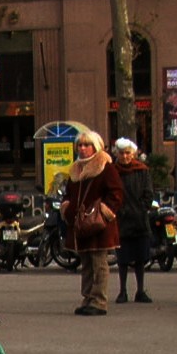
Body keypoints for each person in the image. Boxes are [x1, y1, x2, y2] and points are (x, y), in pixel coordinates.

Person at [59, 132, 124, 315]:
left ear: (96, 146)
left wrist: (104, 212)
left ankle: (99, 301)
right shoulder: (76, 169)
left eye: (86, 145)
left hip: (98, 224)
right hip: (81, 224)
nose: (82, 148)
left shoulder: (105, 166)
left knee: (99, 263)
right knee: (86, 262)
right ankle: (87, 298)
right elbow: (69, 194)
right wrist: (66, 208)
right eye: (79, 145)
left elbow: (116, 193)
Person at [111, 138, 154, 304]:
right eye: (121, 153)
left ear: (133, 154)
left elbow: (148, 193)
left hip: (139, 220)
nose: (125, 156)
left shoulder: (142, 170)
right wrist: (119, 211)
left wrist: (142, 208)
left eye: (128, 153)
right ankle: (122, 291)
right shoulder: (113, 171)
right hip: (121, 221)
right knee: (122, 259)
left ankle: (140, 290)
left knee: (140, 258)